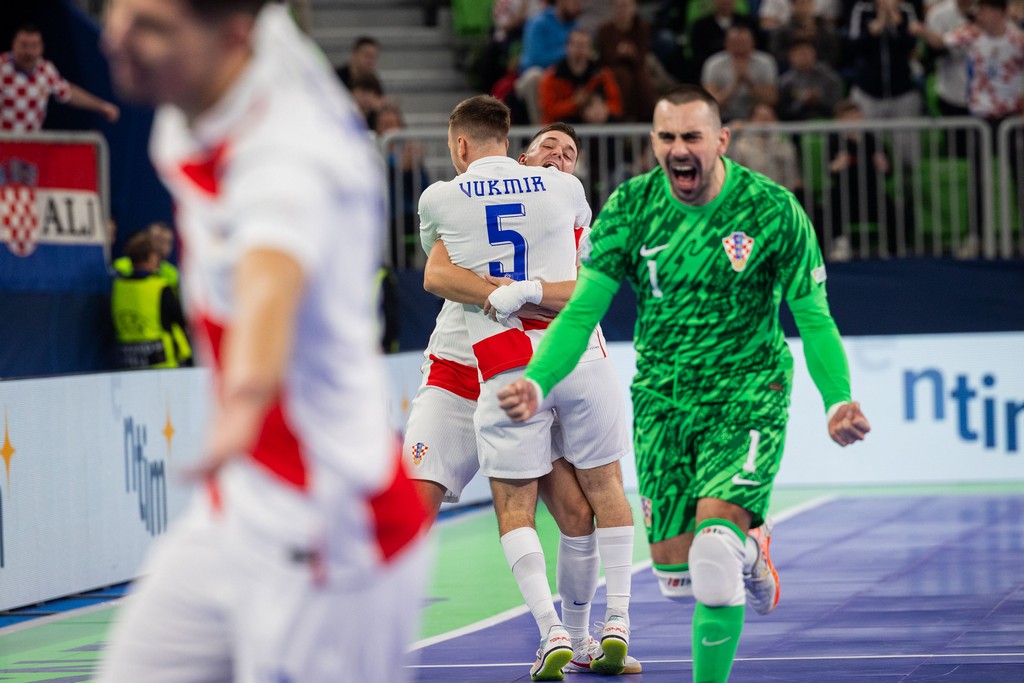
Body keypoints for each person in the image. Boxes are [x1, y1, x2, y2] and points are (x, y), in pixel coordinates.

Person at [98, 2, 427, 682]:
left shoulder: (287, 154)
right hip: (235, 513)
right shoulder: (214, 75)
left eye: (151, 27)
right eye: (117, 14)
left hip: (326, 532)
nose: (116, 40)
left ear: (233, 33)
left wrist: (245, 398)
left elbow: (270, 280)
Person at [498, 85, 871, 683]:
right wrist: (539, 381)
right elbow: (584, 309)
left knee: (714, 557)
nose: (679, 148)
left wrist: (838, 399)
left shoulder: (771, 210)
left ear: (720, 140)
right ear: (654, 142)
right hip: (663, 404)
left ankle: (739, 542)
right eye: (667, 137)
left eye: (692, 136)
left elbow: (814, 316)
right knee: (677, 579)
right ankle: (755, 542)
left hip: (747, 396)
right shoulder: (632, 207)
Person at [407, 121, 642, 678]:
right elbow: (436, 272)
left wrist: (518, 294)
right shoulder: (472, 206)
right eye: (549, 148)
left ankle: (576, 639)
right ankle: (362, 631)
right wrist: (505, 294)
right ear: (520, 158)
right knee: (413, 505)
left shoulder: (565, 217)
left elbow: (586, 292)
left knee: (576, 513)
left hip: (524, 373)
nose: (559, 157)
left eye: (570, 153)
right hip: (457, 376)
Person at [0, 24, 120, 133]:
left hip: (30, 144)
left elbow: (68, 93)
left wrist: (101, 106)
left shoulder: (46, 70)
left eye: (34, 46)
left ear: (41, 48)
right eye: (24, 45)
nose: (29, 52)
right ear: (14, 45)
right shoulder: (2, 66)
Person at [111, 230, 192, 369]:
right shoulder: (160, 287)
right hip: (163, 363)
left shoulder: (117, 287)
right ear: (152, 257)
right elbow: (182, 319)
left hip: (129, 361)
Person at [538, 29, 624, 125]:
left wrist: (601, 110)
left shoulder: (602, 74)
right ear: (567, 47)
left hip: (599, 123)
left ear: (591, 49)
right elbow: (548, 110)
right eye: (576, 45)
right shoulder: (552, 76)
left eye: (583, 45)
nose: (579, 50)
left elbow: (616, 105)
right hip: (564, 125)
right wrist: (575, 104)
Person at [701, 23, 779, 123]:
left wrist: (749, 82)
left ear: (753, 43)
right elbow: (710, 104)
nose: (740, 46)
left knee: (764, 112)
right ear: (726, 43)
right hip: (724, 118)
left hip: (755, 119)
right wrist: (735, 85)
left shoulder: (765, 62)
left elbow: (772, 100)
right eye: (736, 42)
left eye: (743, 42)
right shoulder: (714, 64)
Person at [113, 221, 180, 294]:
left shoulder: (173, 273)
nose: (162, 246)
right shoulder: (120, 265)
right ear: (145, 239)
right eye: (158, 239)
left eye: (167, 242)